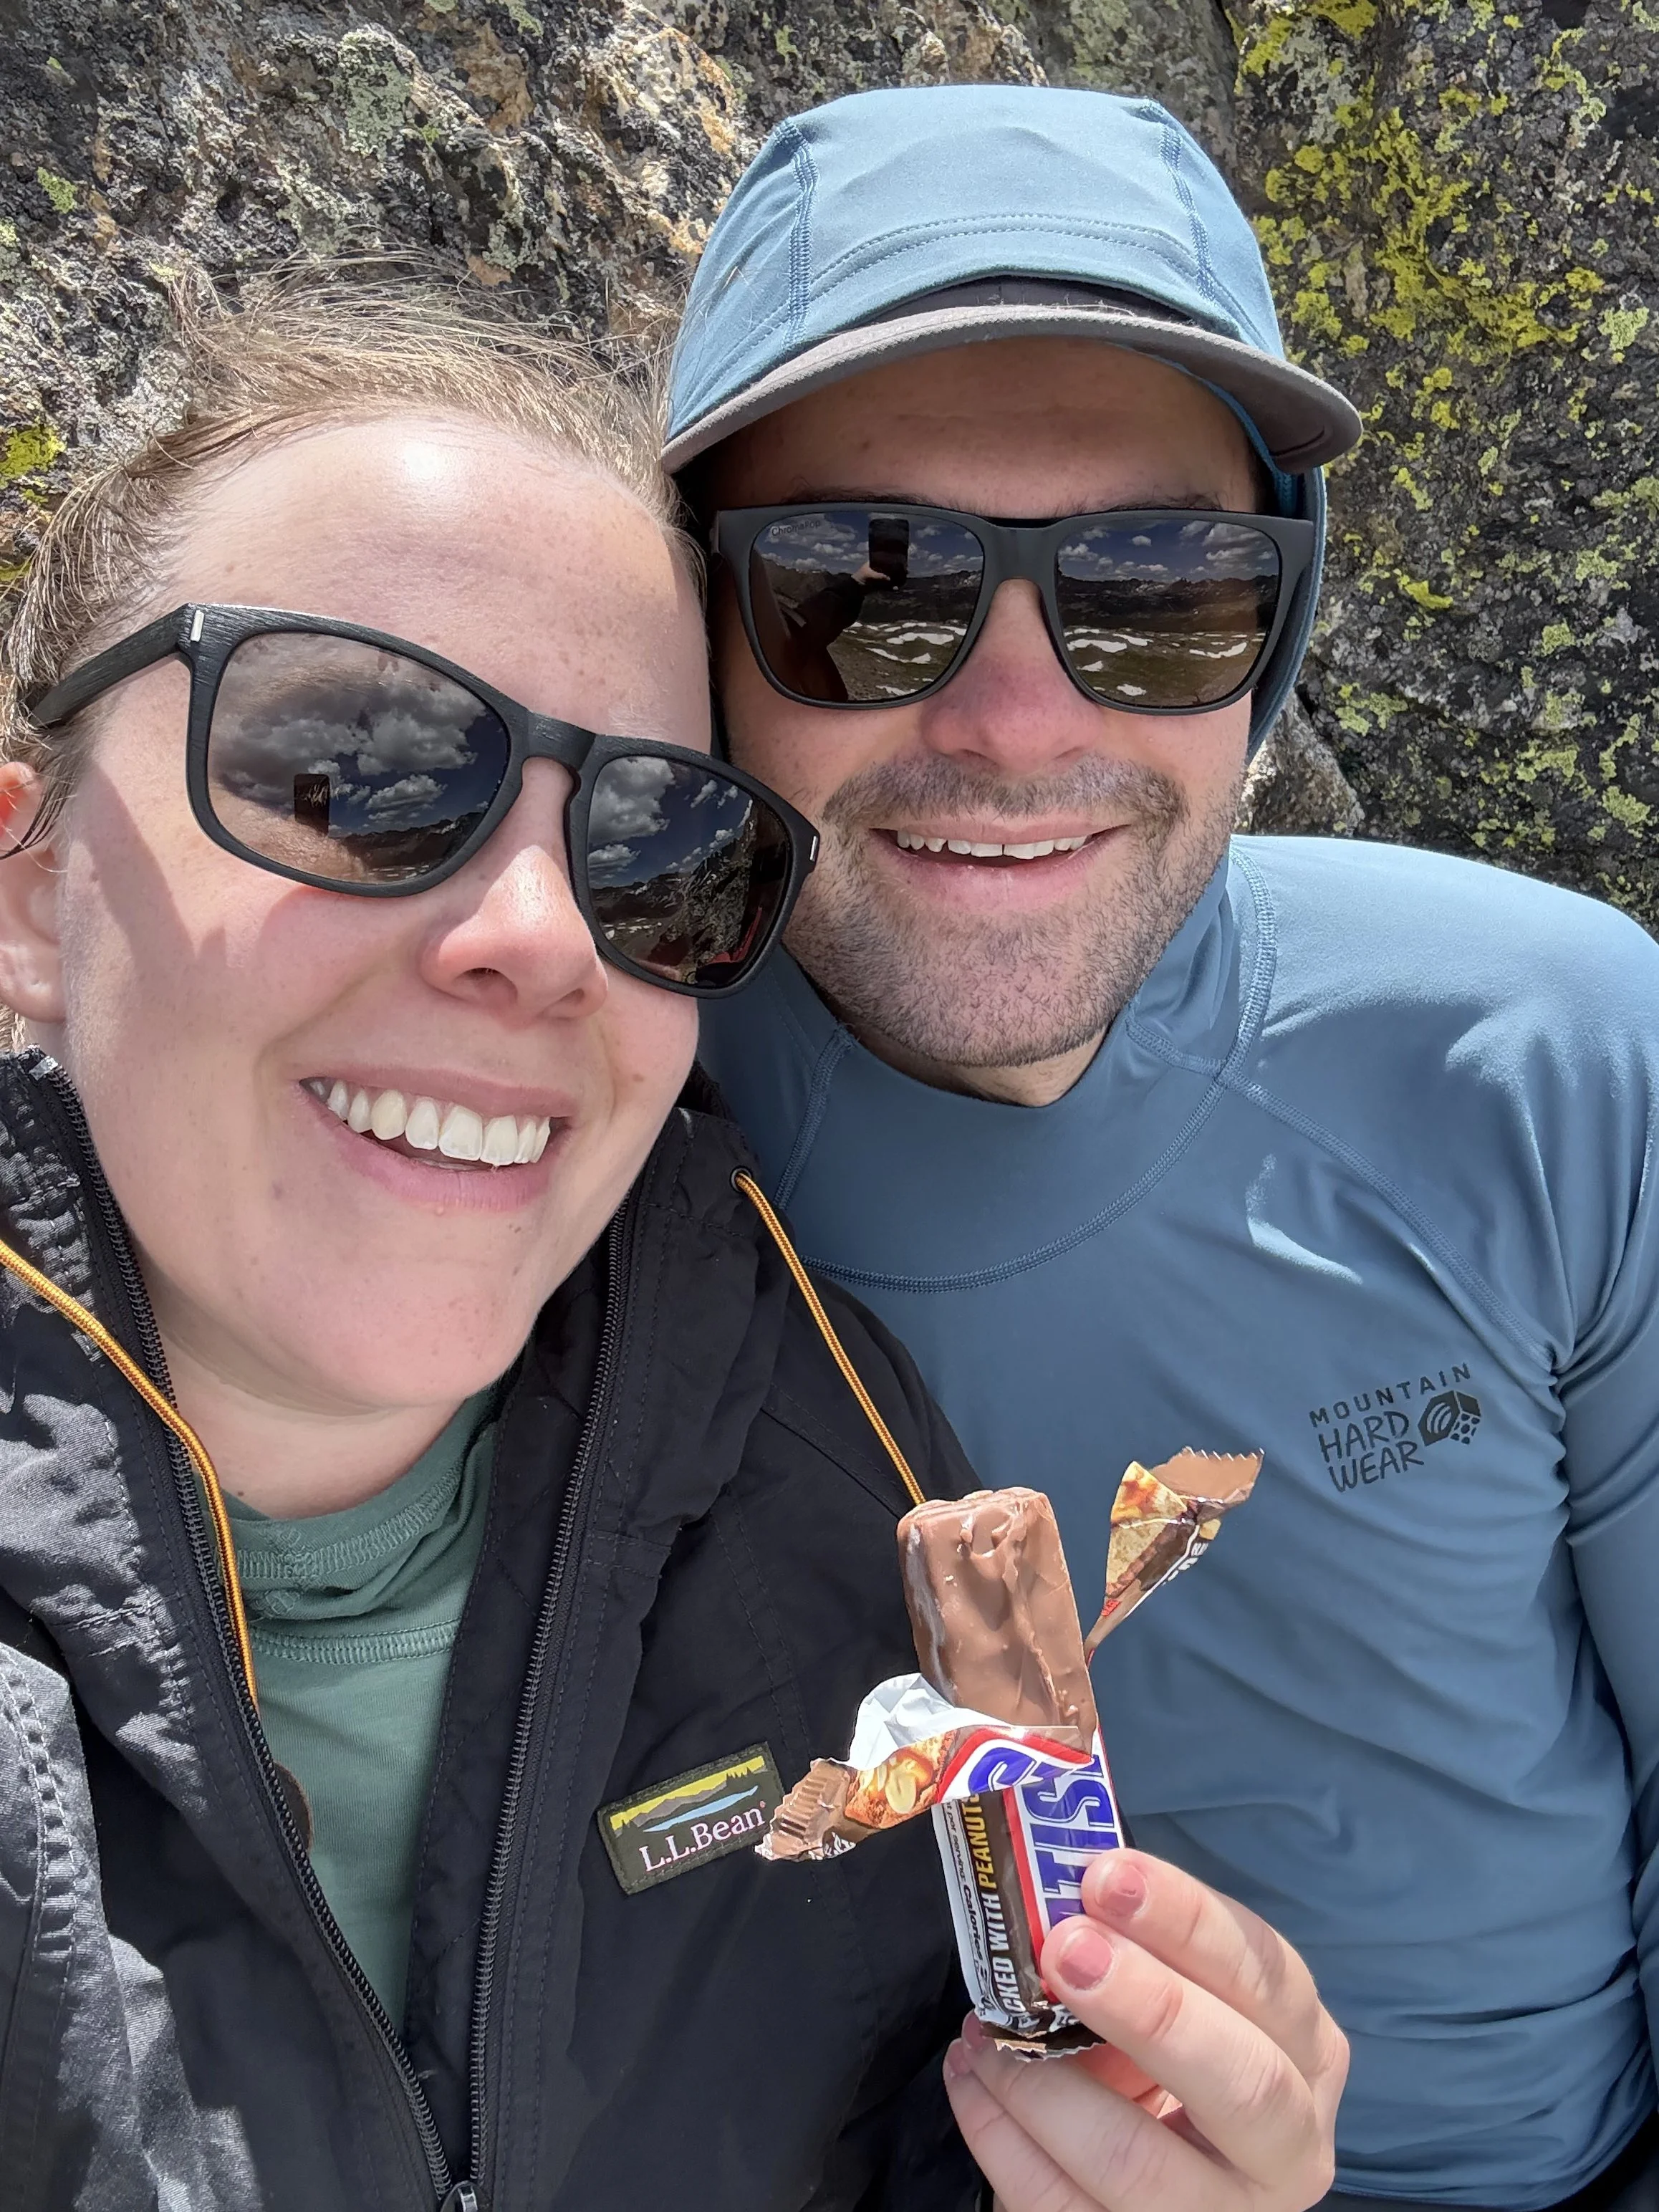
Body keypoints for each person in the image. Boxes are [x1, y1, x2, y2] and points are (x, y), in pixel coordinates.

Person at [0, 270, 1347, 2212]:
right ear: (31, 895)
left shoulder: (827, 1479)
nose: (544, 935)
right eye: (353, 774)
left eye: (654, 847)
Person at [676, 83, 1659, 2212]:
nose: (1018, 725)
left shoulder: (1554, 1059)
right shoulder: (574, 1141)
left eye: (1155, 587)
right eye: (862, 584)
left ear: (1276, 636)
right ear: (697, 644)